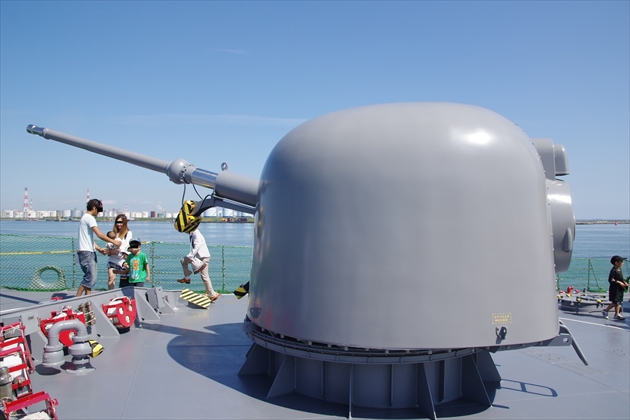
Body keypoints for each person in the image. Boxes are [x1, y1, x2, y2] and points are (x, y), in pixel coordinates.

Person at [76, 199, 120, 296]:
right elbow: (99, 234)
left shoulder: (84, 218)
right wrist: (114, 241)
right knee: (90, 278)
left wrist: (99, 248)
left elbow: (89, 239)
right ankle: (76, 299)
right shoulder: (90, 218)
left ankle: (87, 299)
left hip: (87, 251)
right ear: (94, 208)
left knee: (90, 278)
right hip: (87, 253)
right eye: (99, 209)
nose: (99, 212)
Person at [177, 229, 221, 302]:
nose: (184, 232)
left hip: (203, 257)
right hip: (200, 257)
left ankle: (211, 294)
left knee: (204, 276)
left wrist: (191, 255)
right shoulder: (193, 233)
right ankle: (187, 278)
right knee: (183, 261)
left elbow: (198, 244)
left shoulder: (195, 233)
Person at [107, 215, 133, 289]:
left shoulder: (128, 233)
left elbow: (126, 245)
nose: (119, 224)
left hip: (123, 260)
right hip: (113, 259)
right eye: (117, 222)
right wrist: (109, 251)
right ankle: (111, 293)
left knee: (124, 280)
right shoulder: (113, 234)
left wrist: (117, 250)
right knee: (111, 278)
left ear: (124, 223)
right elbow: (108, 245)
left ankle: (125, 294)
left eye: (121, 222)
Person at [602, 255, 628, 320]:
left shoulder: (619, 270)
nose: (622, 263)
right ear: (616, 262)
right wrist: (619, 282)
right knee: (615, 302)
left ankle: (617, 314)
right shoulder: (613, 270)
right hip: (615, 289)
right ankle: (606, 310)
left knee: (619, 301)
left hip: (620, 289)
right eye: (621, 262)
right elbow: (611, 279)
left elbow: (620, 279)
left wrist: (624, 282)